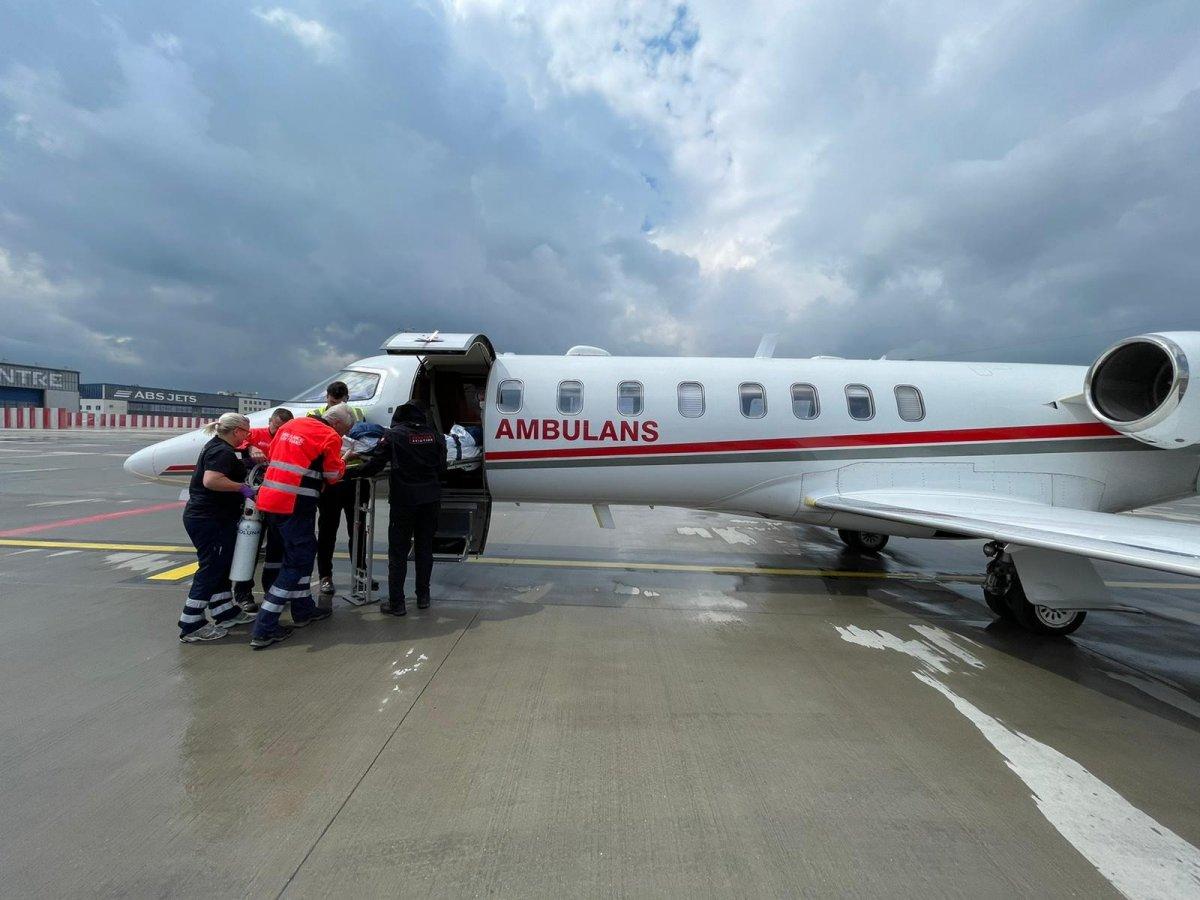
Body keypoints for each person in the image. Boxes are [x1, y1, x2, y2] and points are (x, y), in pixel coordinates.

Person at [249, 403, 352, 649]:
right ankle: (264, 626)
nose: (342, 436)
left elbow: (276, 456)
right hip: (294, 503)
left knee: (299, 556)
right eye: (344, 431)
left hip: (269, 500)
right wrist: (344, 461)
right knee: (298, 559)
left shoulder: (291, 425)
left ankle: (304, 610)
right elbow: (332, 476)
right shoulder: (329, 436)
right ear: (337, 424)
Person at [177, 413, 258, 643]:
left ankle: (224, 610)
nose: (248, 435)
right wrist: (242, 488)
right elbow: (211, 480)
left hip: (214, 517)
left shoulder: (218, 446)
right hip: (209, 518)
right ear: (236, 431)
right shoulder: (220, 451)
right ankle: (191, 623)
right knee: (211, 567)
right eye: (246, 431)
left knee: (221, 565)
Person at [381, 401, 446, 617]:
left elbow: (377, 462)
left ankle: (397, 603)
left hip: (404, 501)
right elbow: (442, 467)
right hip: (430, 500)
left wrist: (351, 472)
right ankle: (423, 597)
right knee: (424, 549)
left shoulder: (393, 435)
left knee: (398, 552)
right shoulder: (436, 436)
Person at [233, 408, 294, 613]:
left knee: (276, 549)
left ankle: (272, 590)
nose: (278, 432)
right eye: (276, 427)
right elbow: (238, 442)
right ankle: (243, 593)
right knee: (250, 545)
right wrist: (249, 447)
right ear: (270, 421)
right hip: (254, 501)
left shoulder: (288, 439)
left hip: (277, 501)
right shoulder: (255, 435)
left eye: (282, 429)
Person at [309, 382, 365, 599]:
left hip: (353, 478)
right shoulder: (314, 415)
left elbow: (365, 442)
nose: (337, 404)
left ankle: (360, 574)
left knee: (358, 530)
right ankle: (325, 576)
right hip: (329, 482)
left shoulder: (358, 414)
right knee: (327, 531)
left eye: (341, 402)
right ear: (327, 398)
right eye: (333, 402)